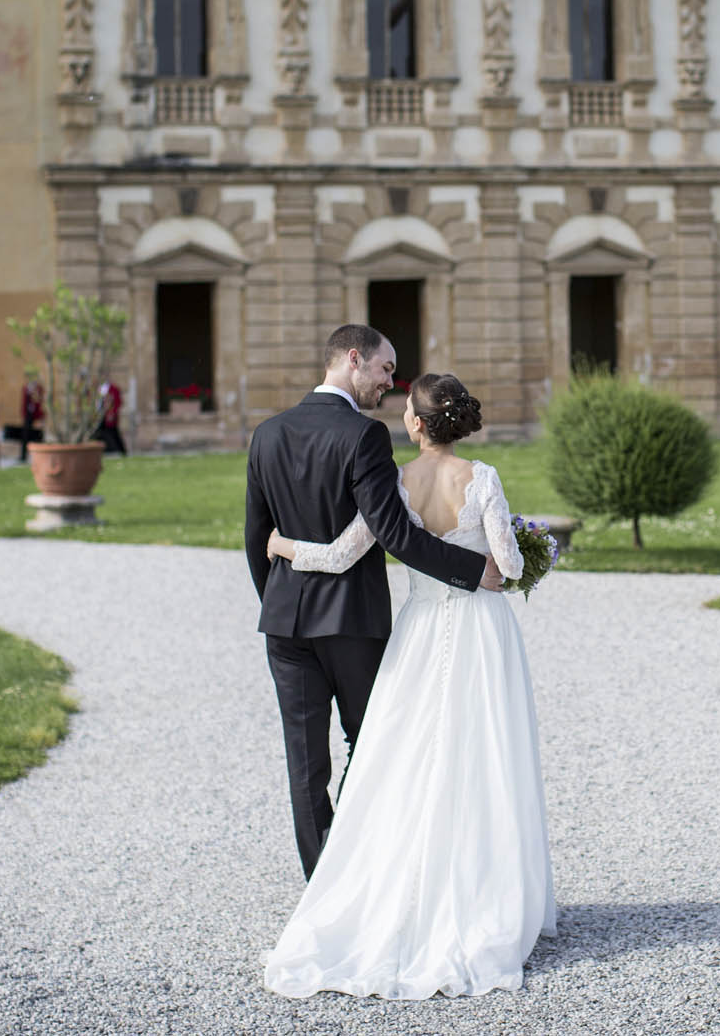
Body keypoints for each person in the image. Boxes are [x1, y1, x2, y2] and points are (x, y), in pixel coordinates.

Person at [261, 367, 551, 999]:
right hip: (481, 632)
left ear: (414, 424)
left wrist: (286, 548)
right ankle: (485, 894)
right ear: (457, 421)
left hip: (418, 633)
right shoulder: (483, 478)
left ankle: (389, 892)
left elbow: (342, 554)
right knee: (483, 756)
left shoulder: (393, 482)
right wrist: (529, 550)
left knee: (409, 761)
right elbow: (503, 566)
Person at [244, 326, 506, 889]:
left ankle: (325, 884)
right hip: (352, 622)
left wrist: (278, 603)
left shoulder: (266, 434)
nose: (391, 383)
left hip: (285, 625)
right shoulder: (363, 436)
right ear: (354, 359)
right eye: (386, 369)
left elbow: (255, 538)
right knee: (370, 744)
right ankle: (367, 877)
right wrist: (471, 570)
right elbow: (394, 533)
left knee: (304, 760)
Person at [15, 375, 46, 461]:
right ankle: (23, 456)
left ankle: (41, 455)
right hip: (28, 414)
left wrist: (41, 417)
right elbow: (24, 401)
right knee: (25, 435)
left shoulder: (38, 388)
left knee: (38, 435)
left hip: (37, 413)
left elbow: (40, 401)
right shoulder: (26, 387)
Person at [94, 378, 126, 454]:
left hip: (108, 415)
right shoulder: (99, 389)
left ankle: (118, 450)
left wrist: (111, 412)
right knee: (101, 433)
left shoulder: (113, 389)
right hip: (102, 415)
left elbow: (116, 402)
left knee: (112, 433)